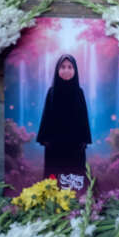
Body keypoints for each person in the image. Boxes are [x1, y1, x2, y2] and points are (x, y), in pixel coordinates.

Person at [36, 54, 92, 188]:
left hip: (75, 142)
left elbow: (84, 118)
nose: (66, 70)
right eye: (63, 67)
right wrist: (44, 138)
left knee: (74, 174)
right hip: (55, 142)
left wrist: (85, 139)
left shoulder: (79, 92)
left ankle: (77, 198)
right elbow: (46, 116)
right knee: (54, 175)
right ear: (57, 70)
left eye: (70, 67)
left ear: (75, 70)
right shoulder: (52, 92)